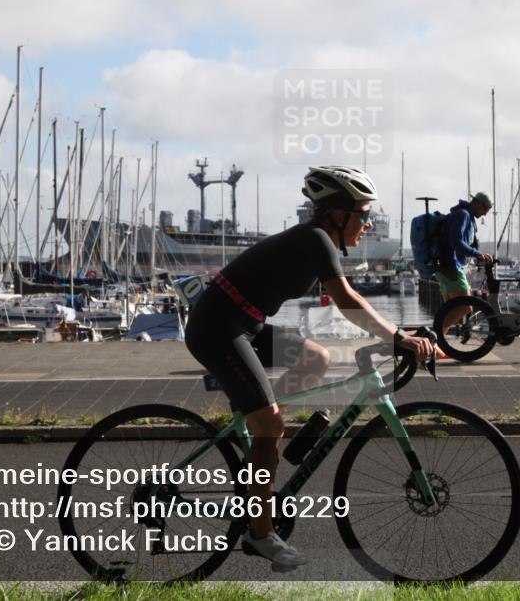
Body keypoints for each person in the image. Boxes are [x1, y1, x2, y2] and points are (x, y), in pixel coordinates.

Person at [184, 165, 434, 572]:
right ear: (337, 213)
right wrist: (399, 337)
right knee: (270, 424)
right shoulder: (316, 238)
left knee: (314, 358)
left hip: (245, 323)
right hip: (217, 327)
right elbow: (347, 299)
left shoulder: (317, 240)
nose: (367, 224)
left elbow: (346, 300)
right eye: (363, 215)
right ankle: (260, 533)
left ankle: (265, 444)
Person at [436, 193, 494, 338]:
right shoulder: (463, 215)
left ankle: (436, 344)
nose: (485, 214)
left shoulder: (461, 214)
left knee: (450, 309)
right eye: (485, 209)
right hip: (451, 266)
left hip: (443, 266)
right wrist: (477, 254)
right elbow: (456, 242)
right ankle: (433, 340)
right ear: (478, 204)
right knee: (465, 307)